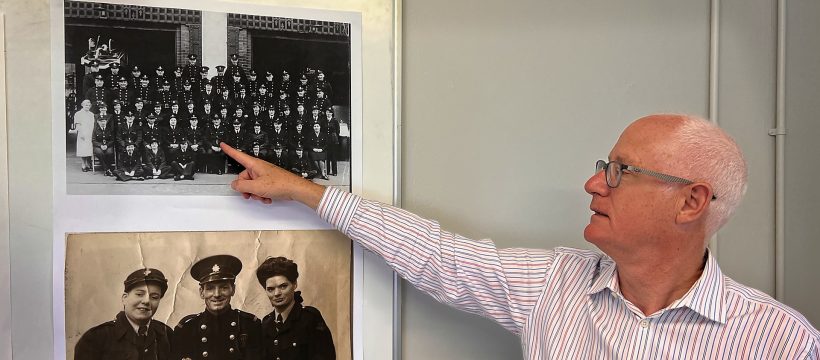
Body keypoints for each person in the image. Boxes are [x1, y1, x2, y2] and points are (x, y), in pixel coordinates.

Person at [219, 114, 820, 359]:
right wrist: (304, 190)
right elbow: (437, 256)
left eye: (620, 171)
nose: (593, 183)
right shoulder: (555, 285)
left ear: (692, 202)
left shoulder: (779, 343)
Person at [173, 255, 262, 360]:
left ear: (233, 289)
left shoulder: (250, 325)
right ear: (202, 292)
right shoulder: (187, 328)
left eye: (224, 287)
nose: (217, 294)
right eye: (210, 288)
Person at [74, 268, 173, 360]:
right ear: (124, 298)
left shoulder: (167, 334)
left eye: (154, 297)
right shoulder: (96, 338)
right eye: (139, 294)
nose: (146, 301)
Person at [255, 256, 335, 360]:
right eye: (270, 289)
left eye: (283, 286)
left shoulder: (309, 318)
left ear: (294, 284)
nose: (277, 293)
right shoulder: (266, 323)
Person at [72, 99, 95, 172]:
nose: (87, 107)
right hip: (82, 133)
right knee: (83, 150)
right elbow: (78, 124)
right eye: (86, 105)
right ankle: (83, 165)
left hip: (90, 133)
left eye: (88, 105)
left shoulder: (91, 114)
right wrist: (81, 133)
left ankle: (88, 164)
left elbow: (93, 124)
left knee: (89, 150)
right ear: (82, 105)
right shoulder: (78, 114)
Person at [91, 107, 115, 176]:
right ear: (98, 122)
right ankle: (107, 169)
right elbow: (93, 140)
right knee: (99, 152)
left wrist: (107, 145)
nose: (103, 123)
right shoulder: (95, 130)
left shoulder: (110, 129)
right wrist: (100, 145)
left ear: (106, 122)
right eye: (101, 121)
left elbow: (112, 140)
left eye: (104, 121)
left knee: (110, 153)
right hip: (98, 145)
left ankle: (106, 169)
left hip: (108, 145)